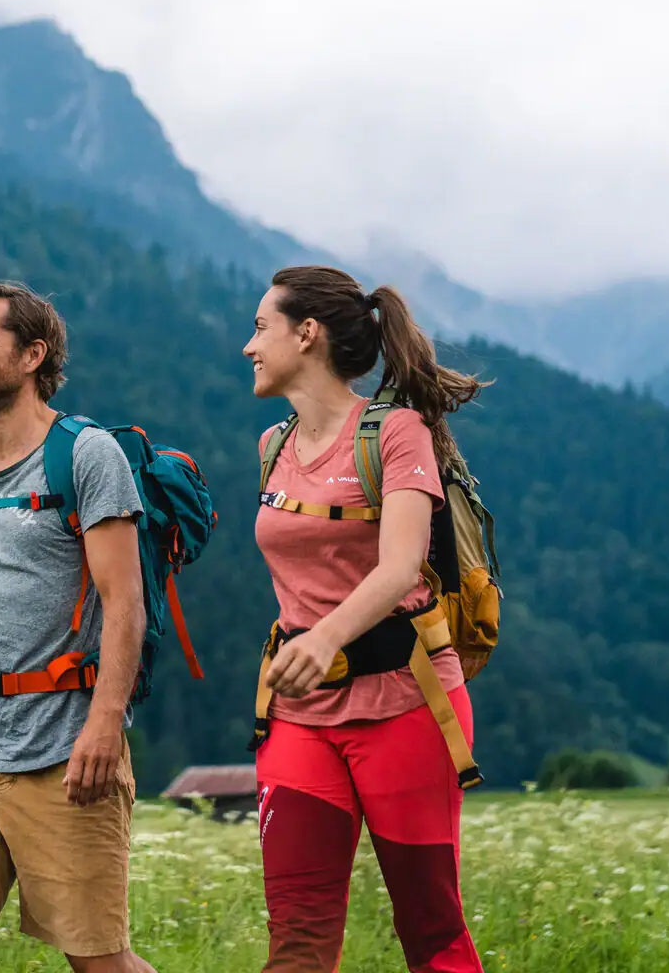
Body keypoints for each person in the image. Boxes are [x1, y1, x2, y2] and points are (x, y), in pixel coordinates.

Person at [0, 280, 157, 973]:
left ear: (32, 354)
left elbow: (123, 601)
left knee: (97, 959)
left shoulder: (85, 456)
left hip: (64, 748)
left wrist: (105, 724)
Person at [241, 265, 487, 973]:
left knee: (430, 927)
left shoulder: (396, 432)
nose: (248, 347)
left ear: (307, 334)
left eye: (262, 328)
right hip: (298, 716)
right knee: (296, 938)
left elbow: (401, 565)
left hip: (406, 703)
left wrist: (324, 636)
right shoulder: (271, 448)